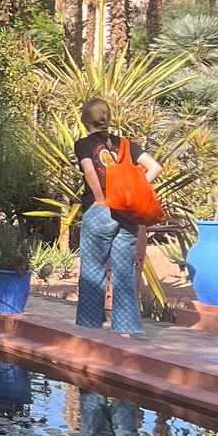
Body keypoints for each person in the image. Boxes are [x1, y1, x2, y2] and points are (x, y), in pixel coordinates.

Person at [74, 98, 161, 337]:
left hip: (101, 209)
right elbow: (155, 167)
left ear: (85, 120)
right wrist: (134, 191)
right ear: (108, 118)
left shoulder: (83, 144)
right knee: (124, 270)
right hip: (126, 212)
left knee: (93, 269)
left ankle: (89, 327)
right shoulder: (126, 144)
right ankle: (127, 327)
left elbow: (90, 170)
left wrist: (101, 198)